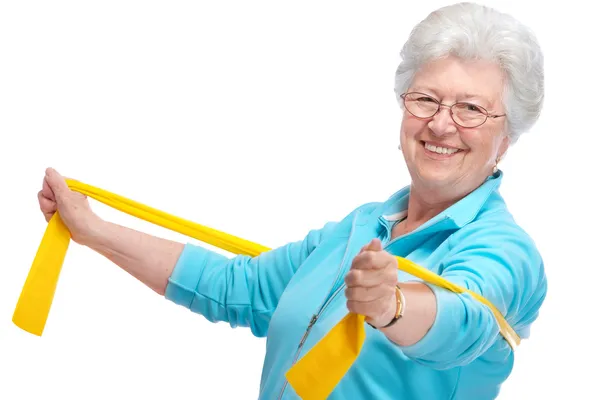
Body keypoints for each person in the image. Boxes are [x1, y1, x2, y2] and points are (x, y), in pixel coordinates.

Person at [37, 2, 547, 399]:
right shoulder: (362, 227)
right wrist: (92, 230)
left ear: (509, 135)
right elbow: (239, 287)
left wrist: (390, 306)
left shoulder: (506, 251)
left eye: (472, 109)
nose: (440, 123)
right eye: (426, 99)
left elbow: (466, 323)